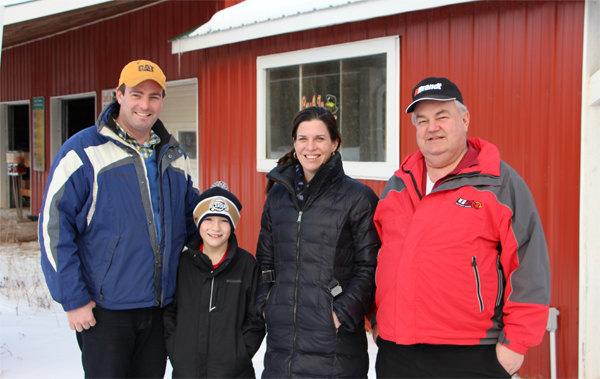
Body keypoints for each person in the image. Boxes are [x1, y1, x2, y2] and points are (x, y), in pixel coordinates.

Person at [372, 77, 551, 378]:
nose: (432, 127)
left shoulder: (498, 184)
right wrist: (377, 320)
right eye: (423, 120)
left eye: (442, 116)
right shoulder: (396, 186)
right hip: (396, 351)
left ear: (465, 119)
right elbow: (376, 258)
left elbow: (528, 266)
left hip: (470, 354)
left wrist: (515, 346)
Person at [39, 59, 199, 378]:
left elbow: (192, 223)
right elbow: (54, 228)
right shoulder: (83, 152)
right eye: (137, 94)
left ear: (163, 100)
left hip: (158, 307)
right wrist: (73, 298)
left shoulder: (174, 155)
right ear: (119, 94)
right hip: (105, 310)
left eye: (154, 96)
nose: (145, 104)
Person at [255, 106, 381, 378]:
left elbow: (370, 268)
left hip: (335, 346)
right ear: (294, 143)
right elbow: (266, 260)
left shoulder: (358, 198)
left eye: (320, 138)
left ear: (334, 143)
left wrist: (339, 314)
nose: (310, 147)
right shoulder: (277, 198)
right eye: (303, 138)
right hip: (282, 346)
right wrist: (267, 304)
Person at [164, 181, 265, 378]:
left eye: (224, 220)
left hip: (234, 372)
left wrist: (240, 354)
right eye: (208, 219)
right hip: (187, 370)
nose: (215, 228)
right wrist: (177, 350)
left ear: (233, 225)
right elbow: (169, 311)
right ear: (197, 222)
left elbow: (255, 319)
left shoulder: (246, 264)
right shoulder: (182, 263)